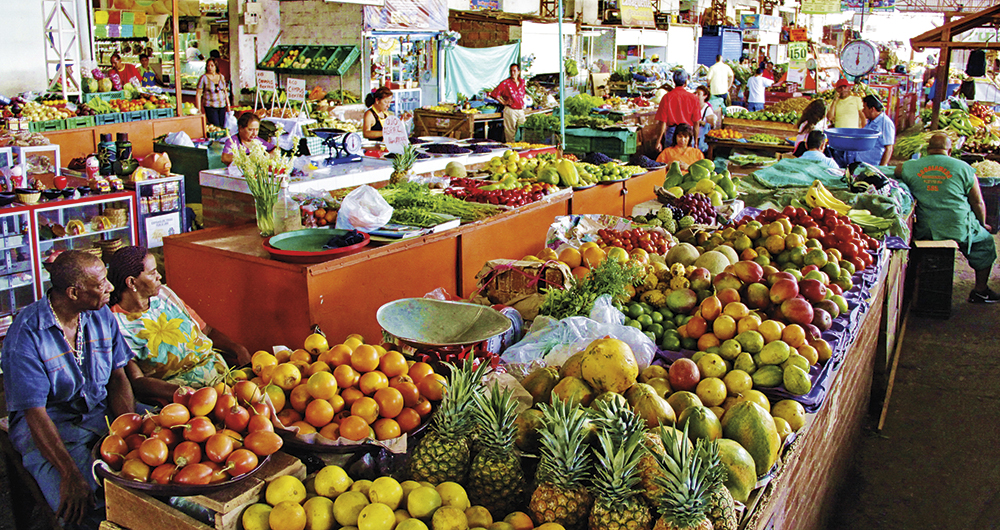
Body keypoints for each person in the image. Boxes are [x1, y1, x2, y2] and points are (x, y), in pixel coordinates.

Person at [0, 251, 135, 527]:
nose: (110, 287)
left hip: (100, 413)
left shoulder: (100, 315)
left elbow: (117, 377)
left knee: (143, 476)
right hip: (51, 428)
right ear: (74, 292)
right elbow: (35, 413)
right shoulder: (26, 334)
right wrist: (69, 474)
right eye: (101, 283)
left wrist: (128, 432)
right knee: (82, 508)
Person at [107, 246, 251, 403]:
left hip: (222, 377)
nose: (159, 276)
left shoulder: (164, 295)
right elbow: (137, 380)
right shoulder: (117, 324)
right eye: (152, 273)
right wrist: (185, 394)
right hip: (181, 397)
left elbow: (206, 330)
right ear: (131, 282)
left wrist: (238, 348)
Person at [894, 133, 999, 303]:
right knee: (985, 243)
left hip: (925, 228)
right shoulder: (965, 168)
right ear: (949, 150)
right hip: (958, 227)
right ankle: (980, 291)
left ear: (927, 150)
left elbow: (895, 171)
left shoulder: (909, 166)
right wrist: (982, 224)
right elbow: (978, 202)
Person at [654, 69, 702, 152]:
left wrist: (658, 141)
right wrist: (696, 142)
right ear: (686, 82)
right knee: (688, 161)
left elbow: (662, 122)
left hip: (672, 133)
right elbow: (696, 122)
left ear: (673, 81)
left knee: (670, 159)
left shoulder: (667, 97)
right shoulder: (694, 98)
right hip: (687, 134)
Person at [489, 63, 528, 143]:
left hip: (520, 109)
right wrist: (503, 102)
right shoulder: (506, 83)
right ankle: (511, 150)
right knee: (510, 133)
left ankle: (522, 148)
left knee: (524, 129)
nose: (512, 73)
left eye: (514, 71)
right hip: (511, 110)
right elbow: (494, 94)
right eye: (511, 71)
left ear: (519, 72)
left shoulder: (522, 82)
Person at [855, 95, 896, 166]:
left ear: (872, 109)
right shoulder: (870, 122)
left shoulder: (885, 123)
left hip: (874, 166)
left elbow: (889, 148)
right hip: (862, 164)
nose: (863, 110)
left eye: (865, 108)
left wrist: (881, 169)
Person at [196, 58, 231, 129]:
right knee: (215, 126)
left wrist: (228, 105)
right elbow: (198, 94)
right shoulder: (203, 78)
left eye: (212, 65)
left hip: (222, 106)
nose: (210, 68)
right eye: (208, 66)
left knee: (222, 126)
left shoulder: (221, 77)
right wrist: (198, 109)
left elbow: (225, 91)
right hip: (210, 106)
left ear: (216, 66)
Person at [694, 85, 719, 153]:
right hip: (693, 137)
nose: (696, 95)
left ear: (705, 96)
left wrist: (701, 122)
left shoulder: (707, 109)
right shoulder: (693, 106)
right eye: (695, 93)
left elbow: (711, 125)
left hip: (701, 137)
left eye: (698, 94)